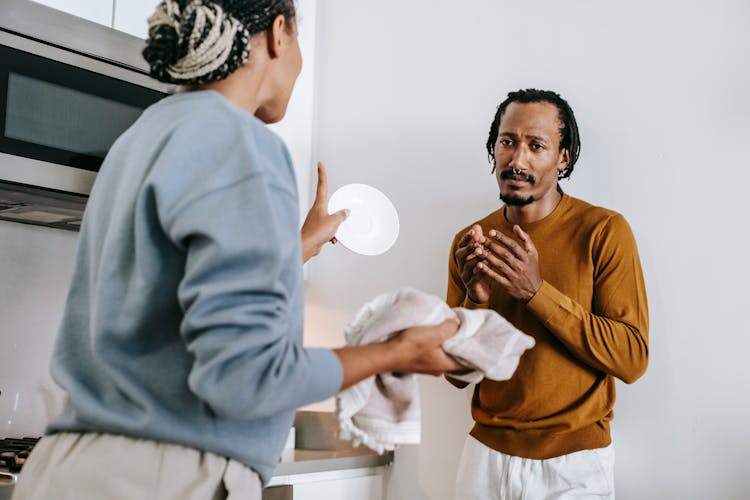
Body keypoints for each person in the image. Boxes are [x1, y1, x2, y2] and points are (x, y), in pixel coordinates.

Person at [12, 1, 461, 499]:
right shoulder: (242, 142)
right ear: (278, 34)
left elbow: (166, 297)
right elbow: (249, 378)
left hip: (67, 469)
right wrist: (396, 351)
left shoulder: (138, 139)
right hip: (167, 477)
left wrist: (300, 245)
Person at [446, 88, 649, 499]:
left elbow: (631, 359)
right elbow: (454, 375)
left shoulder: (604, 231)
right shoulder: (470, 241)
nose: (517, 159)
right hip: (485, 459)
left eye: (536, 145)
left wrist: (536, 292)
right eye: (508, 142)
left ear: (563, 158)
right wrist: (476, 301)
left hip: (574, 466)